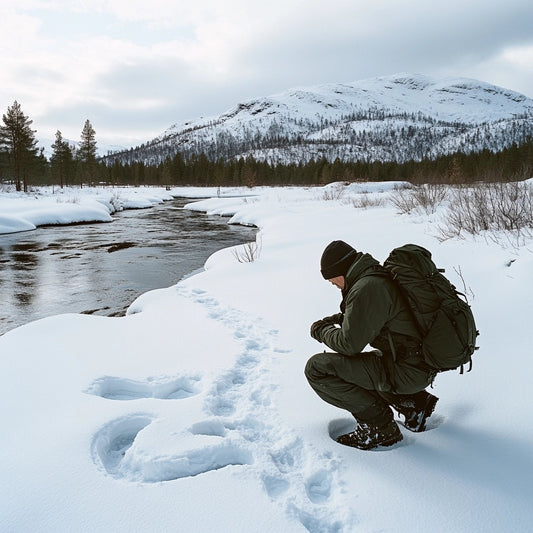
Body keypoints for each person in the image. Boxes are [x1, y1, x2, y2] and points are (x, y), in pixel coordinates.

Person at [305, 240, 438, 450]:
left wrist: (321, 331)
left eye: (332, 279)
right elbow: (372, 316)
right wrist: (339, 319)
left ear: (340, 270)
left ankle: (379, 428)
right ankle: (413, 403)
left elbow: (349, 345)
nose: (332, 284)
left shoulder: (366, 287)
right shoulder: (373, 275)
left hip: (408, 370)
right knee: (366, 364)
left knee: (317, 369)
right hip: (415, 363)